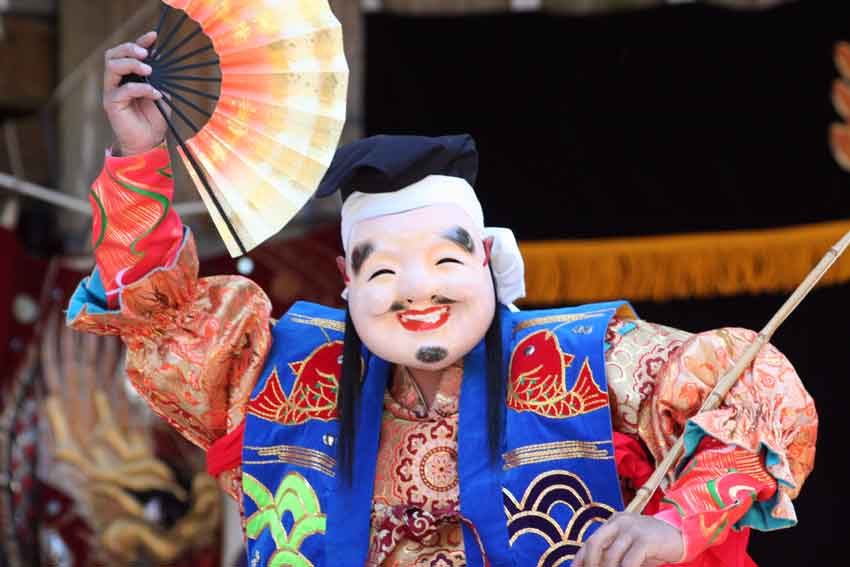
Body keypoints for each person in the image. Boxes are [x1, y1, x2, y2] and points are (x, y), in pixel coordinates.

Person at [66, 31, 818, 567]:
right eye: (385, 271)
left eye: (446, 259)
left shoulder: (589, 362)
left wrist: (675, 529)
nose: (418, 291)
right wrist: (139, 156)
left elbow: (752, 391)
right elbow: (159, 317)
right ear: (346, 277)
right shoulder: (283, 376)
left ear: (486, 258)